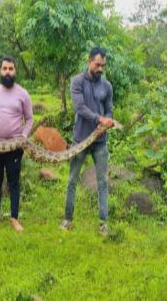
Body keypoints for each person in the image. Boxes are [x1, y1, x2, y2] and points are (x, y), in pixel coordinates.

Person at [60, 47, 114, 235]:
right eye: (98, 64)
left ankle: (103, 223)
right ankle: (67, 219)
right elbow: (80, 108)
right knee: (72, 180)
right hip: (80, 140)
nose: (100, 68)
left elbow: (109, 110)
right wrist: (100, 119)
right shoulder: (77, 81)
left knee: (102, 182)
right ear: (89, 61)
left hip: (100, 142)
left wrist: (107, 121)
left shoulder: (107, 86)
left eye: (103, 65)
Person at [0, 56, 33, 232]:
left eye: (11, 69)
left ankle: (14, 218)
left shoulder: (23, 93)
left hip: (15, 148)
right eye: (5, 68)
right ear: (0, 71)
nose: (8, 72)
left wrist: (24, 136)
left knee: (14, 183)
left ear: (15, 71)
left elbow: (30, 119)